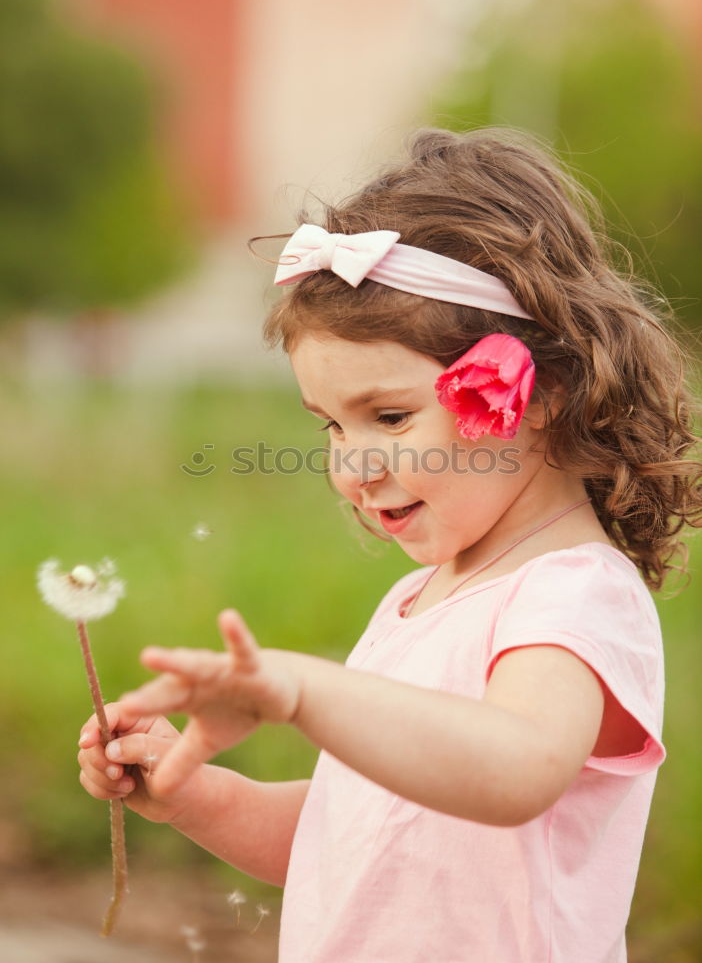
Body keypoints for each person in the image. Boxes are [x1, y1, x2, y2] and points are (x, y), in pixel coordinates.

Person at [78, 127, 702, 962]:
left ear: (537, 392)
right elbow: (356, 836)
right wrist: (198, 798)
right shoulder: (421, 600)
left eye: (391, 416)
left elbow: (515, 769)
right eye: (332, 426)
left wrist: (305, 690)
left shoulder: (571, 595)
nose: (353, 467)